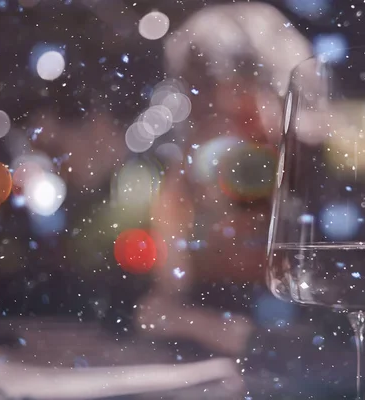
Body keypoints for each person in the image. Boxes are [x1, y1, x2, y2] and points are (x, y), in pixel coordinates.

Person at [136, 2, 312, 356]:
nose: (199, 107)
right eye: (191, 89)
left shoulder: (311, 172)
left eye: (206, 86)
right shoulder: (194, 172)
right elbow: (162, 303)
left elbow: (323, 339)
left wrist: (197, 324)